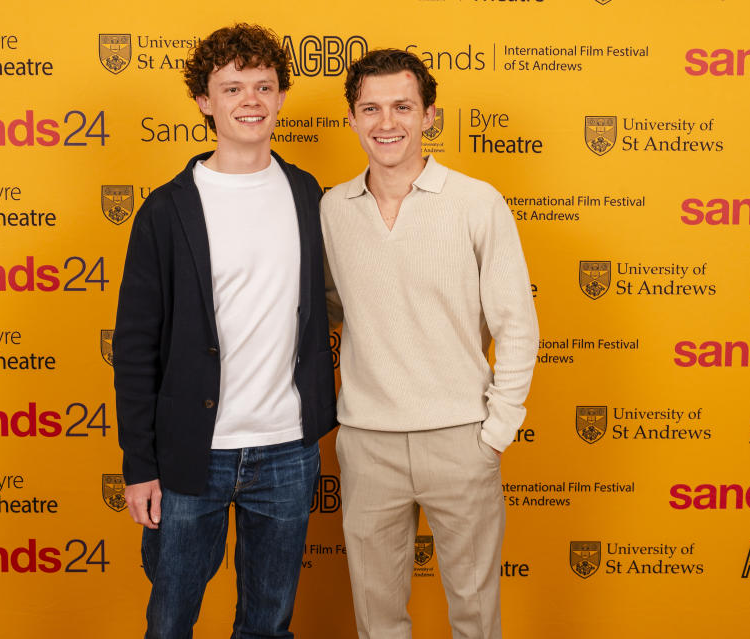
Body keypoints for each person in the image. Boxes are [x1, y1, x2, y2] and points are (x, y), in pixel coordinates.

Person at [113, 23, 336, 639]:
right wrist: (139, 465)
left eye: (264, 86)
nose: (251, 101)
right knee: (171, 622)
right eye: (232, 87)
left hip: (289, 451)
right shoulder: (165, 209)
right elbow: (133, 349)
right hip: (190, 456)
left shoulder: (305, 193)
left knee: (267, 625)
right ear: (205, 102)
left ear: (282, 96)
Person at [321, 49, 539, 639]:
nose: (385, 122)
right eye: (370, 108)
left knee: (474, 615)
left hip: (460, 439)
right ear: (352, 119)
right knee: (378, 620)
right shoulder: (331, 209)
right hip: (367, 445)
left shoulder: (477, 202)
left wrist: (495, 431)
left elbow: (517, 324)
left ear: (429, 116)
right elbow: (335, 307)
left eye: (401, 106)